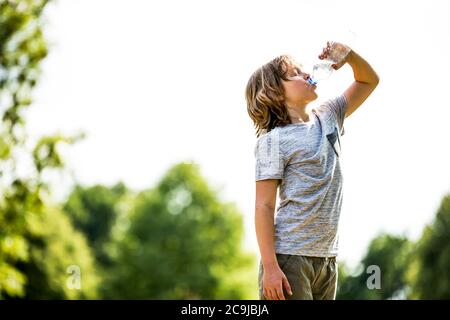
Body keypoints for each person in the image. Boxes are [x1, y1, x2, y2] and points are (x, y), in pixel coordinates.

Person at [245, 42, 379, 300]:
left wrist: (349, 57)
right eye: (294, 73)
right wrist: (270, 267)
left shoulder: (329, 115)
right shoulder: (273, 140)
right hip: (289, 259)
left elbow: (369, 81)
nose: (306, 74)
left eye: (303, 70)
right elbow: (263, 206)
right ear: (274, 92)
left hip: (327, 258)